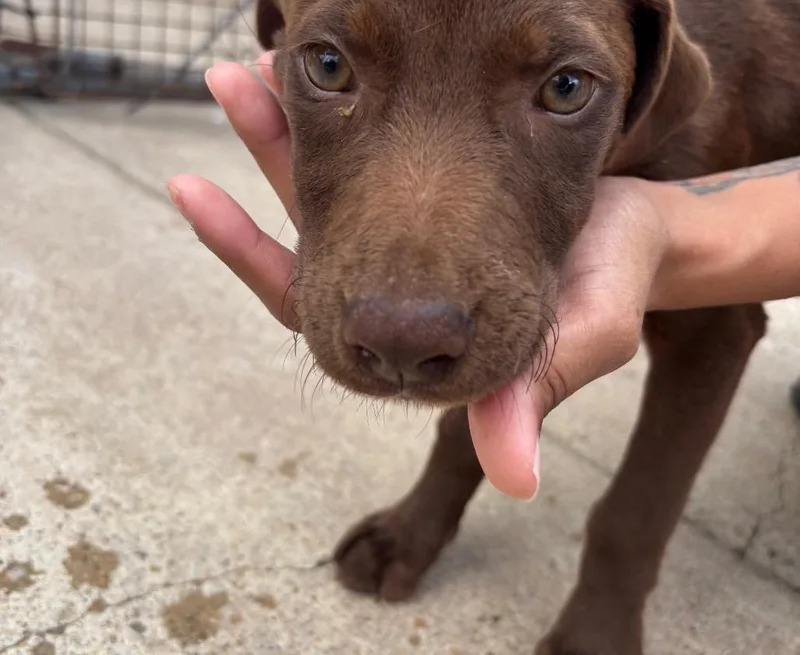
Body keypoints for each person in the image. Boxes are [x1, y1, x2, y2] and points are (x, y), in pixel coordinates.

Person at [167, 58, 800, 500]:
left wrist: (618, 577)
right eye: (331, 66)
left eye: (564, 89)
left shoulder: (670, 93)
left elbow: (722, 337)